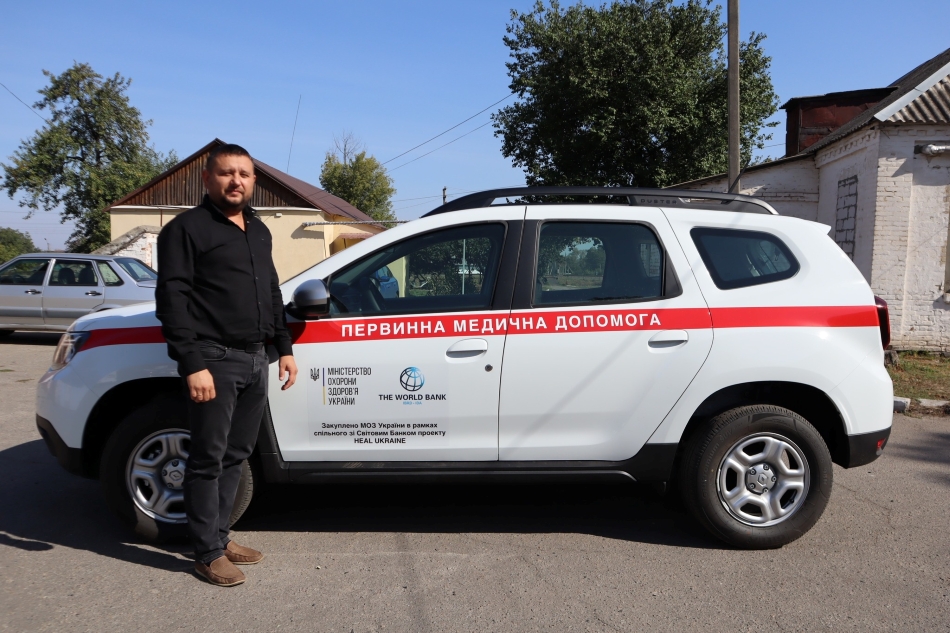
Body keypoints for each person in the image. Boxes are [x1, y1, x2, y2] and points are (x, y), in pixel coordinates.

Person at [155, 143, 298, 587]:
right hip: (213, 360)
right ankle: (206, 553)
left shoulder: (258, 230)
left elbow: (271, 292)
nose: (236, 181)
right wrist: (192, 363)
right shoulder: (185, 230)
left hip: (256, 358)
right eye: (226, 173)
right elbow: (172, 301)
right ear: (207, 179)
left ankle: (219, 535)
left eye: (244, 173)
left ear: (254, 181)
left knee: (236, 455)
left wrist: (285, 347)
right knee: (207, 458)